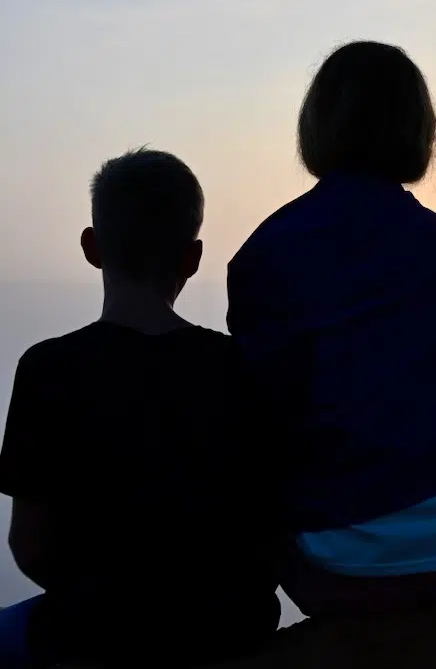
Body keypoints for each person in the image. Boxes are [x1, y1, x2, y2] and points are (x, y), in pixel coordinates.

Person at [227, 41, 436, 616]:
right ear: (420, 131)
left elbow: (263, 424)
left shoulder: (266, 255)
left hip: (342, 570)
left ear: (316, 125)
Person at [0, 149, 281, 668]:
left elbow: (30, 546)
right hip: (227, 629)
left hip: (93, 631)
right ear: (193, 259)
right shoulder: (243, 368)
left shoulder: (47, 369)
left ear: (92, 247)